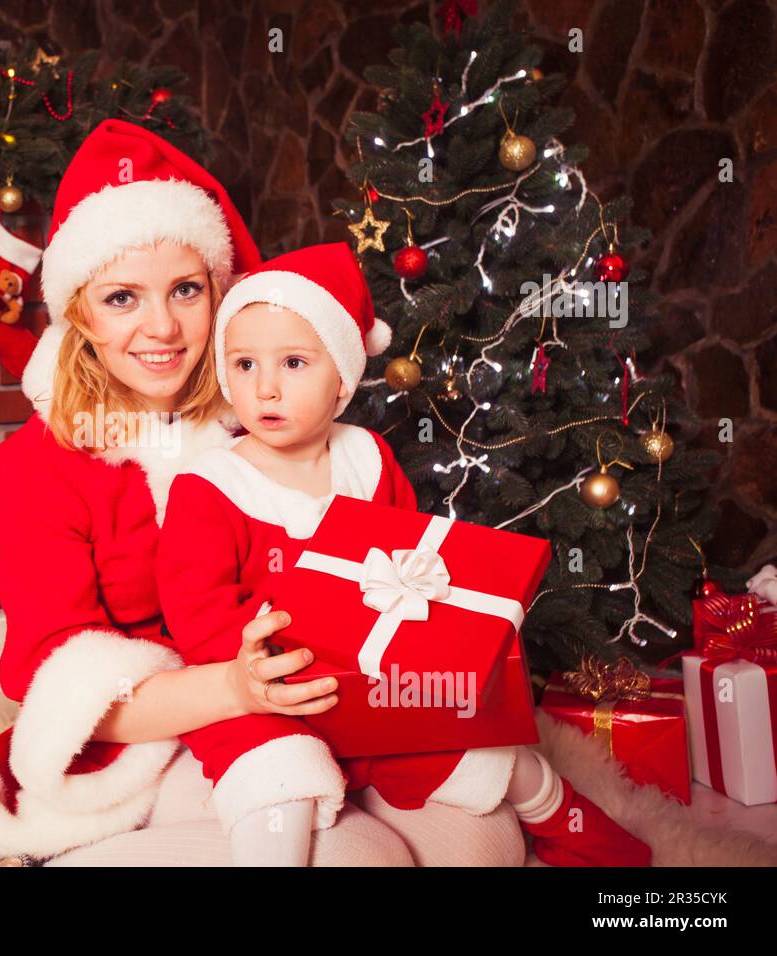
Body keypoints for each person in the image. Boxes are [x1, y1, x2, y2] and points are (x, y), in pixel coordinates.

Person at [0, 119, 526, 867]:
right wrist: (237, 689)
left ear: (221, 291)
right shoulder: (40, 465)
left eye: (184, 289)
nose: (163, 328)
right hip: (154, 737)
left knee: (486, 841)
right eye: (121, 299)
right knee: (358, 857)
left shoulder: (266, 416)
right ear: (78, 314)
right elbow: (64, 689)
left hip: (309, 708)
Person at [154, 241, 653, 867]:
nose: (267, 388)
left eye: (293, 363)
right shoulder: (212, 486)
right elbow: (194, 611)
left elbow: (414, 565)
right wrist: (251, 664)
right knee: (276, 780)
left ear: (341, 378)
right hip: (267, 693)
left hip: (369, 682)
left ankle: (580, 834)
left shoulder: (366, 458)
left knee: (491, 749)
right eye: (245, 365)